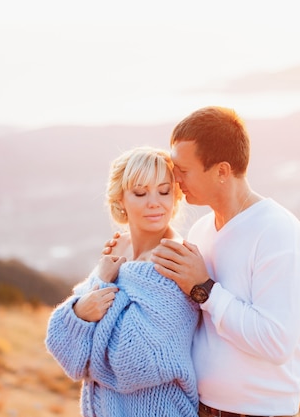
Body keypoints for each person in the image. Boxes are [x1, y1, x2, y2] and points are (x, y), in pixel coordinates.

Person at [105, 106, 300, 417]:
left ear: (221, 171)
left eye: (183, 170)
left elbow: (277, 342)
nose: (175, 179)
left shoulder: (278, 232)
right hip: (200, 409)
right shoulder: (202, 230)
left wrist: (204, 287)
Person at [45, 146, 200, 417]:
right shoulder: (119, 251)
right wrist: (82, 310)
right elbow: (60, 343)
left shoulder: (173, 262)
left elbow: (131, 361)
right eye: (140, 193)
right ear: (121, 199)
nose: (155, 202)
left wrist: (95, 297)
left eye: (164, 191)